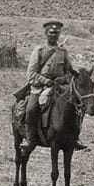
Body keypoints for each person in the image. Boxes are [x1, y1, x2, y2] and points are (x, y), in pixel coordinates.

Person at [16, 20, 83, 152]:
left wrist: (62, 78)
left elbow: (69, 72)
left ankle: (74, 138)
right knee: (31, 109)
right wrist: (45, 81)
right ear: (46, 34)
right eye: (51, 33)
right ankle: (30, 139)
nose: (54, 35)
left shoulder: (63, 52)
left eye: (56, 33)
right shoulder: (39, 51)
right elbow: (31, 74)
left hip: (60, 88)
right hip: (40, 87)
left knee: (77, 106)